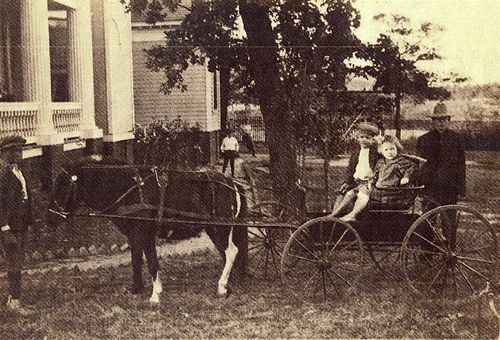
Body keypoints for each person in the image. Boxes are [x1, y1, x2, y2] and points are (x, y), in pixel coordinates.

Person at [416, 102, 466, 246]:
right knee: (428, 221)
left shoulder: (457, 139)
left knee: (449, 222)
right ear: (433, 121)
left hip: (450, 188)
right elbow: (419, 166)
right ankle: (427, 254)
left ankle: (449, 254)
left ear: (448, 120)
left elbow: (461, 165)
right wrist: (420, 186)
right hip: (429, 188)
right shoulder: (424, 140)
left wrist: (461, 188)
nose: (440, 123)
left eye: (443, 119)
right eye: (437, 120)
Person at [340, 135, 418, 221]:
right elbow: (375, 176)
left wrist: (406, 177)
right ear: (382, 152)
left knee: (362, 192)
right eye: (386, 150)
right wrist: (371, 182)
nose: (389, 152)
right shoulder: (381, 162)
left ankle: (352, 215)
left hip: (392, 192)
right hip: (380, 190)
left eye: (392, 149)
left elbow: (413, 168)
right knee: (353, 191)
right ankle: (335, 214)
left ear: (397, 149)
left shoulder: (400, 162)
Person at [0, 135, 34, 316]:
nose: (19, 154)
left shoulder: (19, 171)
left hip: (21, 225)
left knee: (18, 261)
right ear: (5, 153)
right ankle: (15, 302)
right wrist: (5, 229)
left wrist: (30, 220)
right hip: (10, 228)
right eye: (14, 151)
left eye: (20, 150)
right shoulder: (2, 173)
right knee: (13, 263)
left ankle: (13, 299)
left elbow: (26, 197)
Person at [329, 121, 380, 218]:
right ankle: (334, 215)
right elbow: (350, 169)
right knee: (344, 194)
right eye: (361, 137)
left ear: (373, 140)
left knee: (359, 194)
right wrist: (346, 182)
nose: (364, 140)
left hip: (369, 183)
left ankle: (352, 215)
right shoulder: (356, 153)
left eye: (367, 138)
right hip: (356, 182)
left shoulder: (375, 154)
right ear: (358, 138)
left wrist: (372, 181)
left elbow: (379, 168)